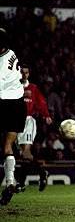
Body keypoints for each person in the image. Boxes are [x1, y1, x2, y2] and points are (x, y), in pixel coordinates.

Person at [15, 64, 52, 192]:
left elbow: (41, 102)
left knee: (26, 152)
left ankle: (37, 175)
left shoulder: (33, 88)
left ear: (28, 74)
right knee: (24, 155)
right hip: (15, 122)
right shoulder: (13, 87)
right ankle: (24, 180)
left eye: (26, 72)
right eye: (21, 72)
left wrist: (46, 115)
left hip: (27, 122)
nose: (24, 75)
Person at [0, 28, 27, 206]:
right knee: (8, 146)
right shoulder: (12, 53)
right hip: (19, 104)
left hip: (4, 103)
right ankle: (10, 181)